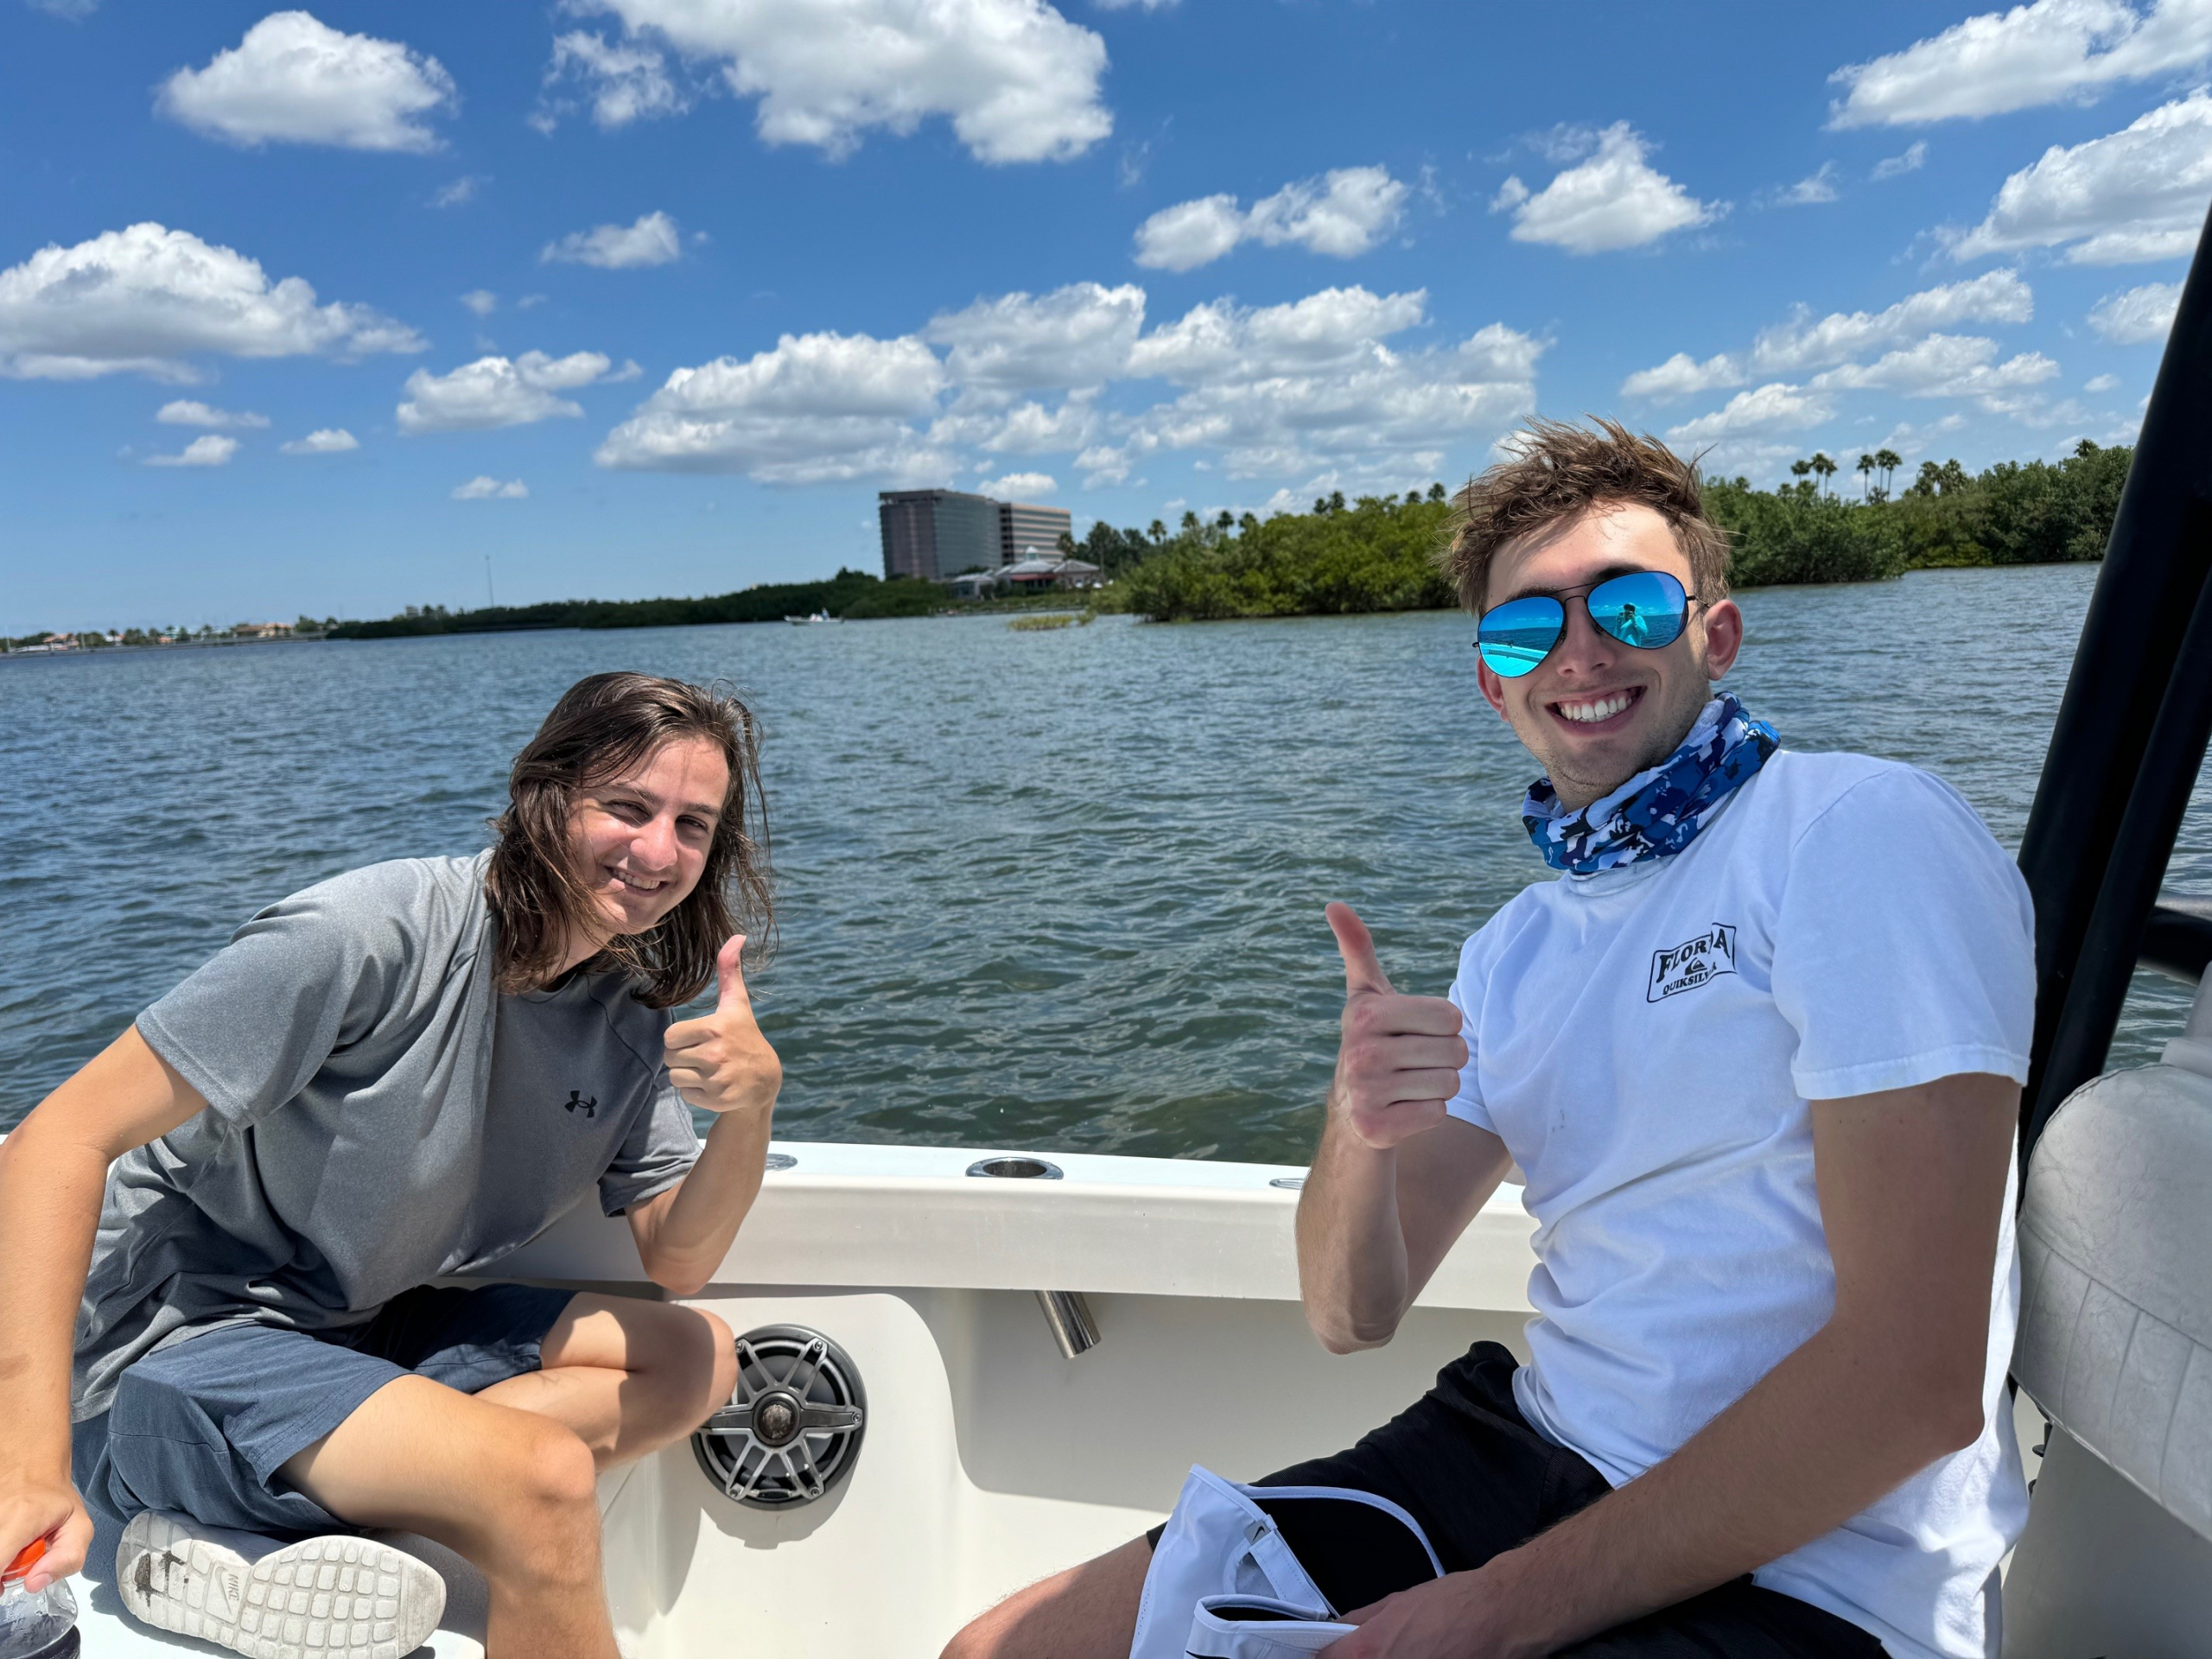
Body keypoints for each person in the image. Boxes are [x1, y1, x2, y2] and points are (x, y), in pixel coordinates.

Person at [944, 421, 2032, 1659]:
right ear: (1491, 681)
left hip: (1817, 1571)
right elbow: (1352, 1313)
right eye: (1527, 627)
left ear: (1711, 633)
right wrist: (1356, 1127)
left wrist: (1495, 1609)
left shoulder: (1853, 836)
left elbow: (1914, 1378)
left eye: (1625, 605)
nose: (1578, 651)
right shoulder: (1512, 952)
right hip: (1522, 1452)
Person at [0, 671, 784, 1659]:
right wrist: (25, 1464)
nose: (657, 850)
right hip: (179, 1348)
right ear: (546, 797)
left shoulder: (622, 1012)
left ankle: (278, 1535)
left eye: (693, 825)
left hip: (355, 1327)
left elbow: (679, 1258)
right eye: (627, 807)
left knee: (694, 1356)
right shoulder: (365, 936)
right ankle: (398, 1498)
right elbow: (51, 1143)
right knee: (542, 1478)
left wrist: (752, 1109)